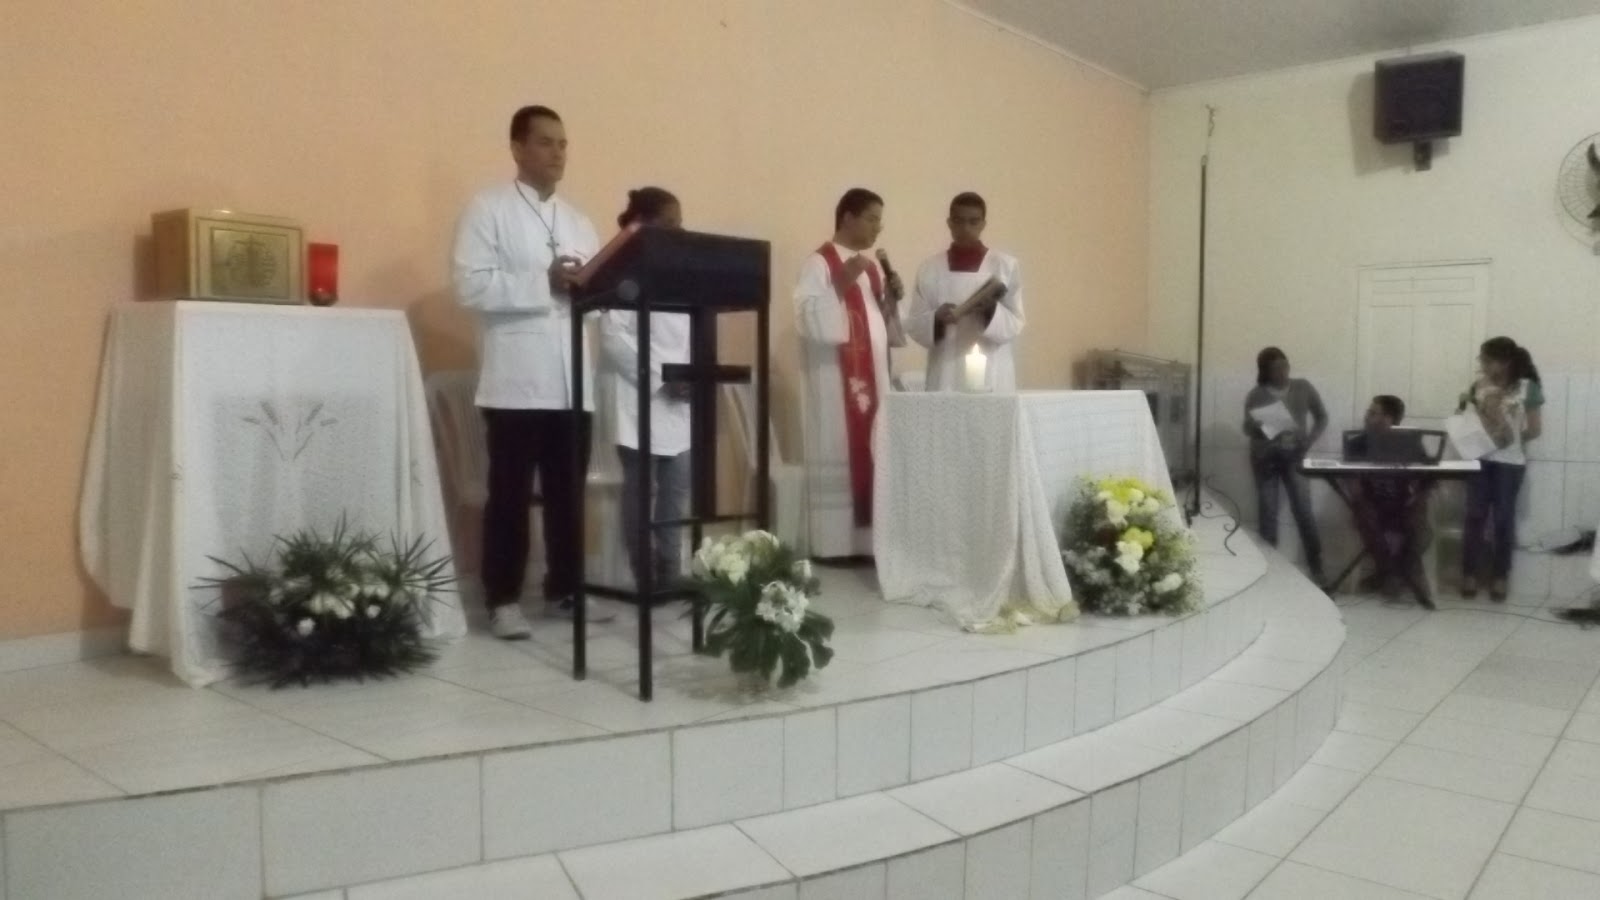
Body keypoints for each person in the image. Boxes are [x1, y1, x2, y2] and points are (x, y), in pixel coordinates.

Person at [451, 104, 614, 640]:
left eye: (563, 143)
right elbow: (470, 285)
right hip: (516, 380)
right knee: (511, 496)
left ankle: (565, 589)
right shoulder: (488, 209)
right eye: (545, 142)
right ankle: (502, 598)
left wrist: (593, 290)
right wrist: (540, 282)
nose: (558, 153)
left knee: (568, 494)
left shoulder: (580, 221)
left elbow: (599, 301)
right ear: (518, 148)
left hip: (572, 380)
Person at [795, 188, 906, 560]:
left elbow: (879, 327)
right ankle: (835, 545)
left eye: (880, 220)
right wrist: (841, 282)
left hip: (872, 377)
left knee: (874, 451)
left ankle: (870, 543)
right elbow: (810, 322)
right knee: (840, 449)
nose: (878, 227)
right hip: (834, 384)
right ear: (848, 217)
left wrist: (891, 301)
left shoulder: (870, 267)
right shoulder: (819, 263)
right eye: (872, 218)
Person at [599, 188, 691, 592]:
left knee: (677, 486)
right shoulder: (622, 269)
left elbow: (691, 330)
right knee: (640, 488)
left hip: (680, 397)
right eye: (669, 223)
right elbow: (612, 338)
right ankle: (645, 572)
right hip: (639, 394)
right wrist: (662, 376)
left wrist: (690, 375)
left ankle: (671, 569)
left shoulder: (681, 271)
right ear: (642, 224)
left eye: (680, 223)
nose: (678, 231)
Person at [905, 192, 1025, 392]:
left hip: (992, 367)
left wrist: (989, 311)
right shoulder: (930, 268)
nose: (966, 228)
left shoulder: (1004, 266)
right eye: (959, 221)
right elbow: (915, 324)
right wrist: (936, 319)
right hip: (945, 369)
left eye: (973, 222)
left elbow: (1016, 322)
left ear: (983, 224)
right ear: (949, 223)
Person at [1459, 336, 1544, 601]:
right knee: (1475, 516)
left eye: (1486, 360)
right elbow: (1466, 420)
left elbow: (1535, 430)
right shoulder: (1478, 387)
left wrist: (1509, 439)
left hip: (1510, 463)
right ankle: (1469, 574)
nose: (1482, 365)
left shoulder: (1528, 388)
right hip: (1479, 460)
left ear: (1504, 362)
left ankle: (1500, 577)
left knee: (1503, 519)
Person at [1243, 347, 1328, 583]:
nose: (1282, 372)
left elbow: (1322, 417)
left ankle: (1317, 567)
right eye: (1275, 369)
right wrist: (1256, 427)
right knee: (1268, 514)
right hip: (1265, 458)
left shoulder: (1303, 387)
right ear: (1265, 371)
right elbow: (1246, 427)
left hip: (1295, 457)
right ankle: (1268, 571)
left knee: (1304, 511)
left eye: (1285, 366)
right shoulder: (1256, 395)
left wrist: (1309, 440)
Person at [1346, 395, 1432, 596]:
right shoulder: (1356, 444)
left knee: (1422, 527)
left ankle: (1389, 574)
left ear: (1388, 419)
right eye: (1368, 412)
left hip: (1402, 505)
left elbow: (1428, 477)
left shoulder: (1410, 443)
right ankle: (1395, 574)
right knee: (1362, 510)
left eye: (1372, 413)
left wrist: (1419, 496)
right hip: (1372, 505)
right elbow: (1352, 483)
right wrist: (1354, 486)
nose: (1366, 417)